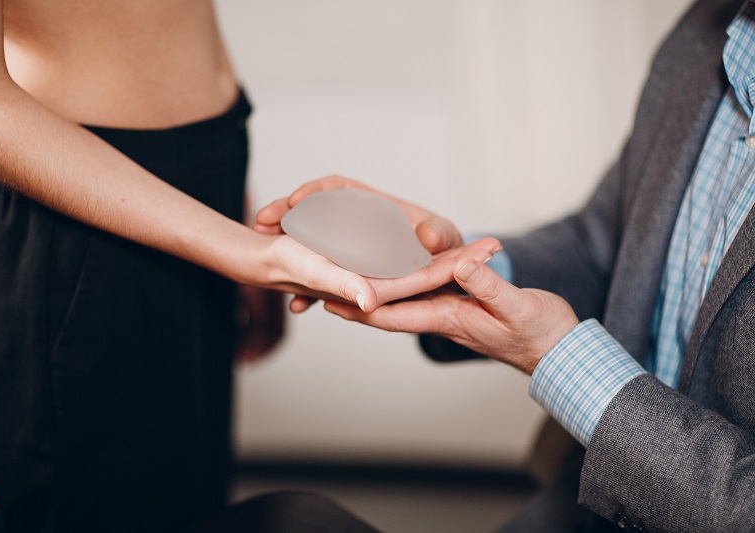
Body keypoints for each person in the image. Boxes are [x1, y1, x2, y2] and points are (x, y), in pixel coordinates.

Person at [0, 2, 498, 532]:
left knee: (191, 505)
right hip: (67, 201)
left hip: (200, 175)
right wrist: (243, 251)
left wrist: (234, 214)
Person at [259, 0, 755, 530]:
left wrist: (563, 360)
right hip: (589, 506)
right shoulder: (708, 29)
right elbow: (605, 247)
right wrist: (459, 270)